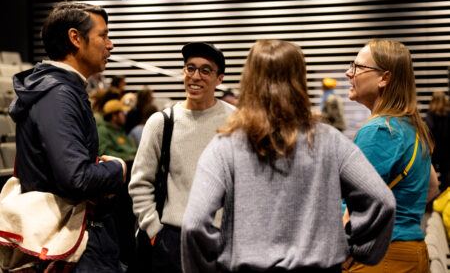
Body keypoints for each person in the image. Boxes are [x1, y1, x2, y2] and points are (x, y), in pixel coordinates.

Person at [181, 39, 396, 273]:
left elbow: (194, 224)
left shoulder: (226, 146)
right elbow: (382, 200)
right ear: (299, 80)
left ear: (249, 79)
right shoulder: (330, 141)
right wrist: (357, 250)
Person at [8, 2, 127, 271]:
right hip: (75, 250)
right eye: (103, 35)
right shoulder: (58, 94)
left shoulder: (61, 90)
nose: (111, 45)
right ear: (75, 38)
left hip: (81, 240)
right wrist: (117, 169)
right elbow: (76, 177)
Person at [129, 42, 235, 272]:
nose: (195, 76)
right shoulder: (161, 122)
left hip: (223, 241)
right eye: (190, 68)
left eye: (205, 70)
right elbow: (140, 182)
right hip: (171, 241)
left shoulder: (236, 121)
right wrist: (153, 228)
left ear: (220, 79)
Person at [343, 39, 439, 272]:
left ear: (384, 78)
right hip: (412, 251)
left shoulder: (378, 130)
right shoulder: (410, 126)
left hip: (381, 257)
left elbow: (354, 208)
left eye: (358, 67)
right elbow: (432, 187)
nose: (348, 73)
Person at [425, 91, 450, 191]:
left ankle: (433, 196)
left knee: (432, 173)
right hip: (447, 149)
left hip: (434, 148)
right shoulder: (448, 113)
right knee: (445, 176)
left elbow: (429, 130)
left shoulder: (430, 114)